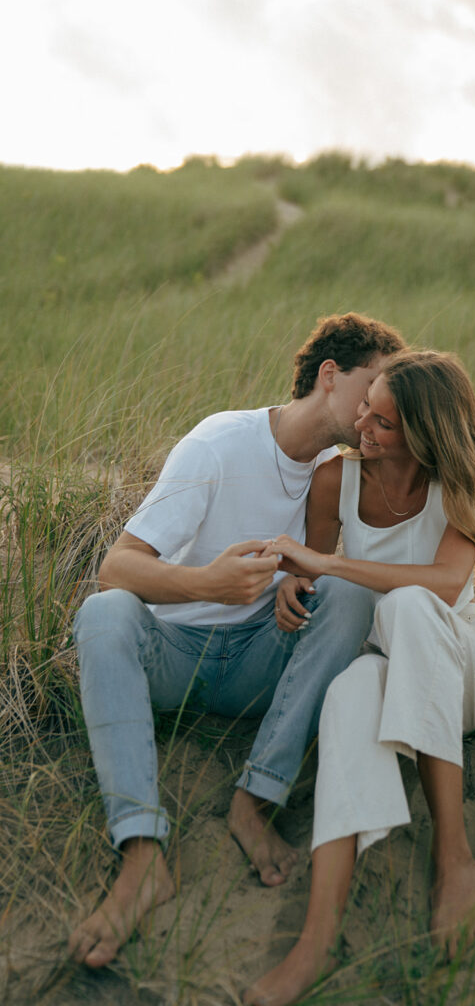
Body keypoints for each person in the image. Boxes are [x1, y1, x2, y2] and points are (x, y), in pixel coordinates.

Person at [68, 312, 405, 968]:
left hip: (260, 661)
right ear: (329, 377)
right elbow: (119, 568)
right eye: (368, 390)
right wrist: (205, 584)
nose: (374, 412)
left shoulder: (341, 474)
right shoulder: (221, 441)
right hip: (174, 658)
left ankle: (256, 800)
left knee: (349, 595)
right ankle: (141, 857)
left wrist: (295, 584)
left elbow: (323, 574)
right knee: (104, 614)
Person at [245, 349, 475, 1006]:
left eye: (384, 423)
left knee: (410, 606)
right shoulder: (335, 480)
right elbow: (310, 573)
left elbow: (447, 583)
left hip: (465, 669)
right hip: (386, 664)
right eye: (366, 408)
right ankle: (315, 938)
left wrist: (324, 565)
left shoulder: (461, 483)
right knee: (347, 693)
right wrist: (296, 583)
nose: (363, 425)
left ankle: (452, 857)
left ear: (424, 433)